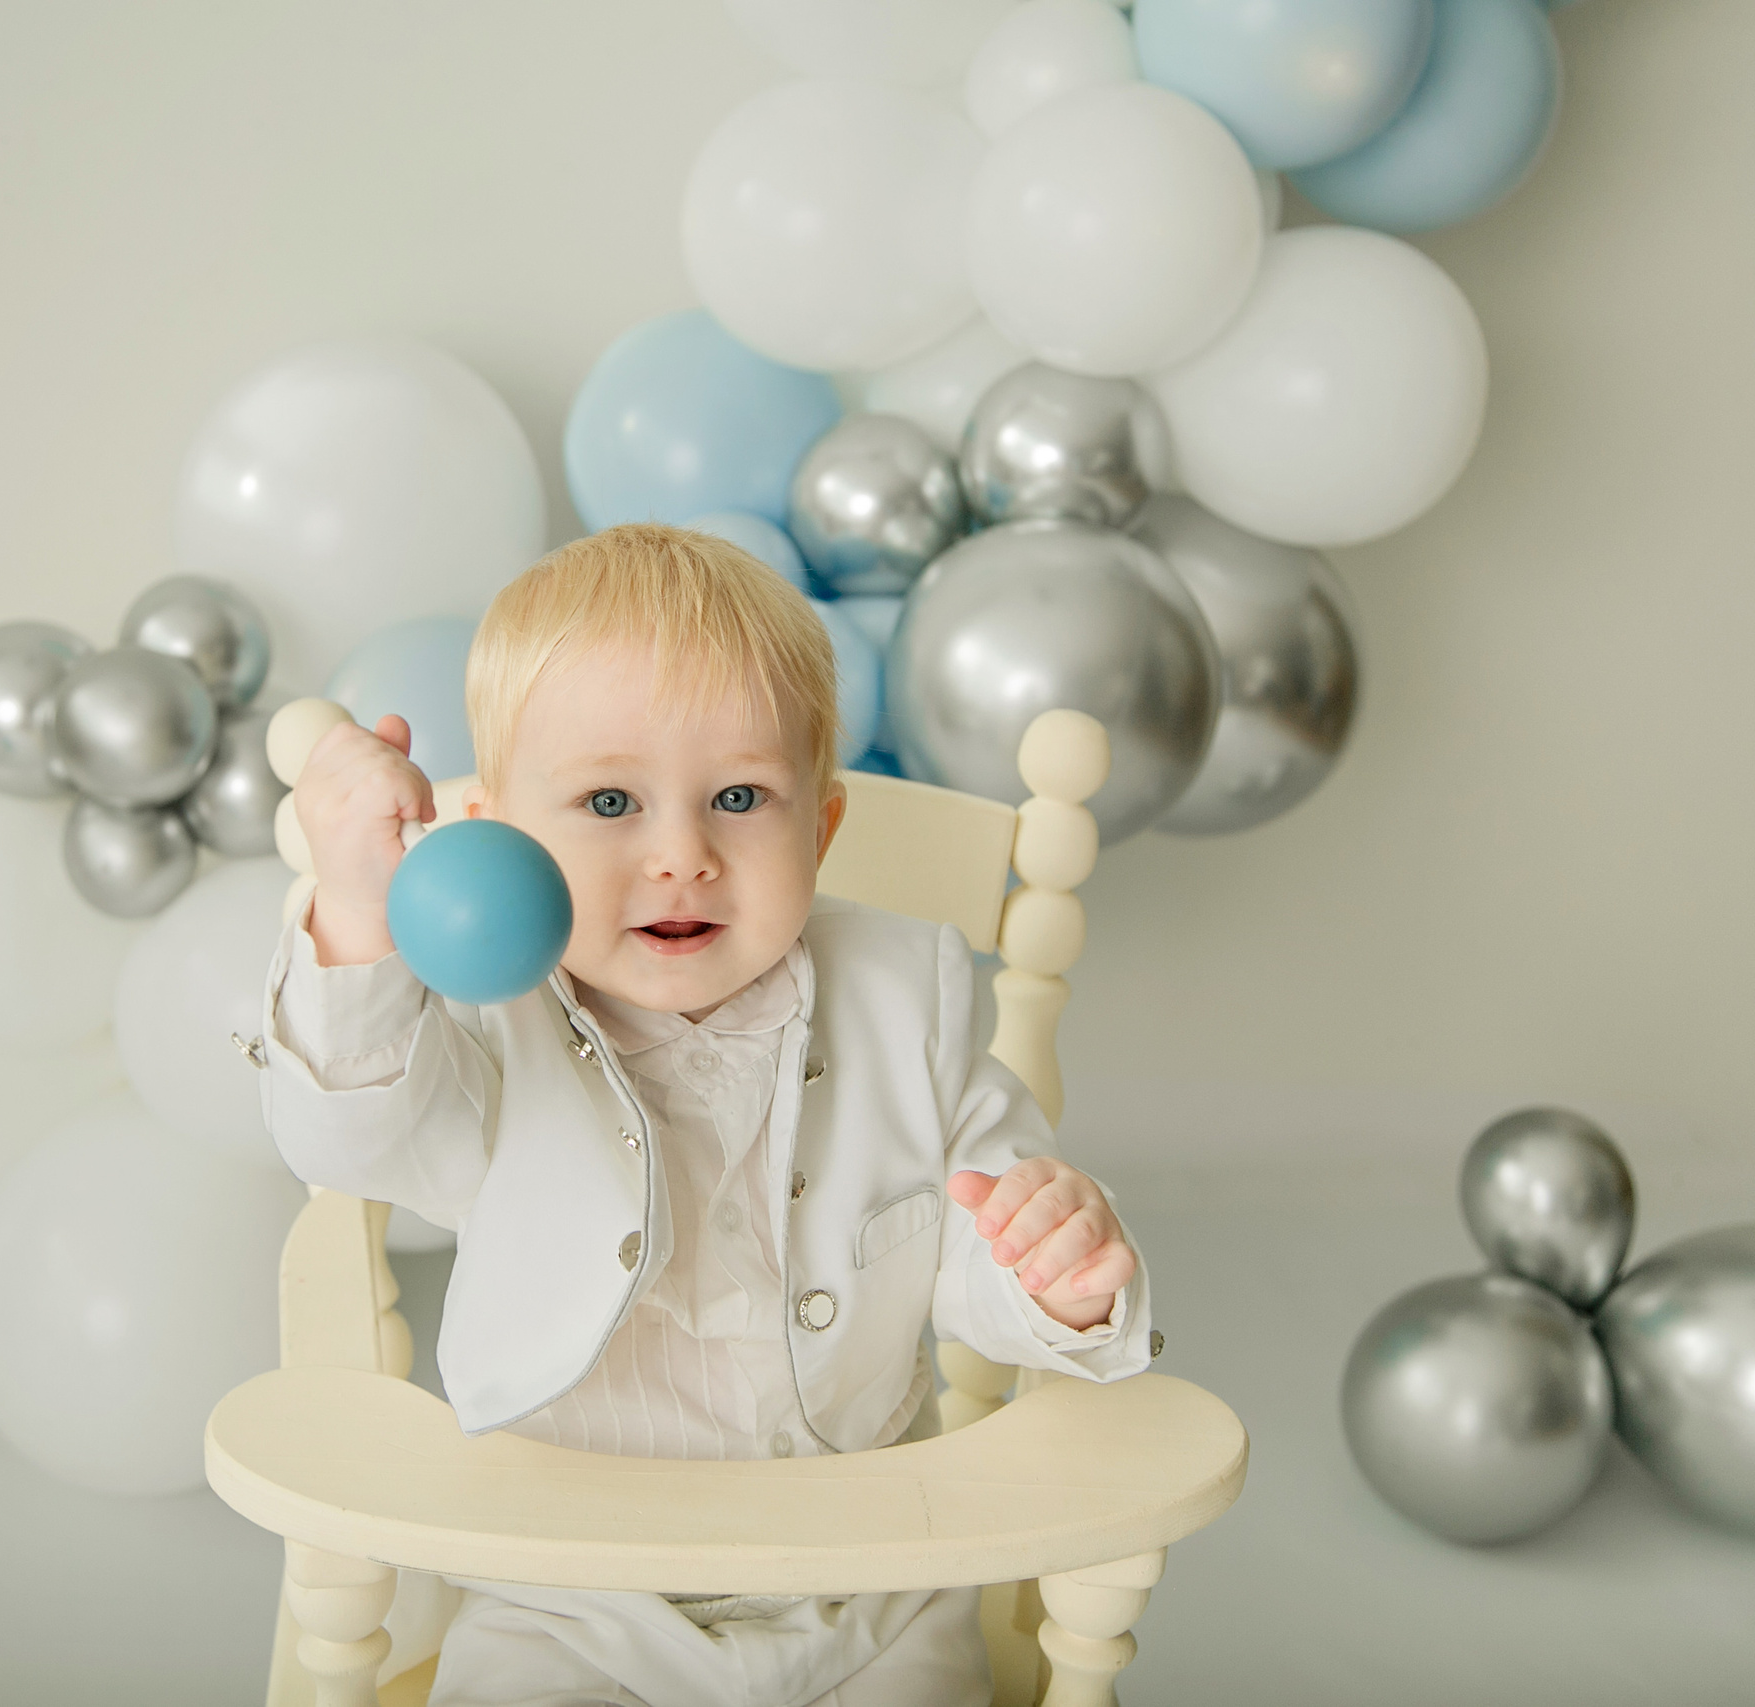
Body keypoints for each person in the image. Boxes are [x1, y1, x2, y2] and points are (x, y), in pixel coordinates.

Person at [257, 523, 1153, 1707]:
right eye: (610, 800)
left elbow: (975, 1251)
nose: (680, 856)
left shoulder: (908, 996)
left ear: (819, 830)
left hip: (869, 1581)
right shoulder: (483, 1015)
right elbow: (349, 1137)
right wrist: (363, 920)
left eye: (739, 796)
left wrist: (1052, 1273)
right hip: (566, 1588)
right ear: (495, 836)